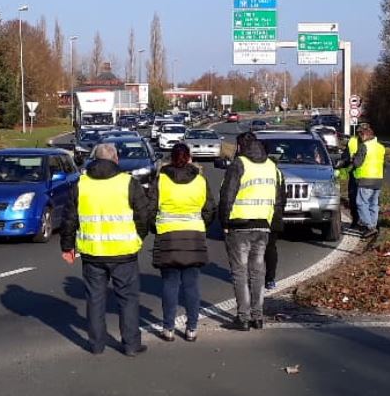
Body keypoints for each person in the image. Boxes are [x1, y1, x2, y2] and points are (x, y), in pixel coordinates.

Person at [60, 143, 151, 357]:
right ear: (116, 159)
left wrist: (67, 246)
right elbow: (143, 214)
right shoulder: (128, 183)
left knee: (95, 299)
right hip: (124, 252)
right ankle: (130, 345)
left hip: (93, 253)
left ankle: (97, 344)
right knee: (128, 299)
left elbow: (69, 219)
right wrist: (139, 237)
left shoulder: (81, 184)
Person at [147, 143, 216, 343]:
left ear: (171, 158)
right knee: (191, 285)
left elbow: (150, 208)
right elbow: (210, 208)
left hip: (167, 235)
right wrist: (202, 224)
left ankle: (168, 328)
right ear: (189, 158)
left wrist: (155, 226)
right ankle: (191, 328)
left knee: (169, 284)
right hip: (194, 236)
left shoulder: (161, 180)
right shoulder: (200, 181)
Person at [219, 132, 285, 330]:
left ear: (241, 147)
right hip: (263, 225)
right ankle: (258, 317)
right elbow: (280, 198)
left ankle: (243, 317)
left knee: (240, 272)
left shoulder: (239, 164)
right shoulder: (272, 167)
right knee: (257, 272)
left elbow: (227, 195)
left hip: (239, 225)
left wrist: (224, 222)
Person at [351, 125, 385, 238]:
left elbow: (357, 163)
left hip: (366, 180)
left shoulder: (364, 146)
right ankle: (373, 225)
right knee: (373, 203)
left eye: (360, 134)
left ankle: (369, 226)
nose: (359, 137)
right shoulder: (381, 147)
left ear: (364, 134)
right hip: (378, 180)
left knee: (361, 203)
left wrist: (353, 158)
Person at [334, 122, 370, 227]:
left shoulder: (372, 143)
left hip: (368, 176)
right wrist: (341, 164)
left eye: (363, 131)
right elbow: (345, 157)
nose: (361, 134)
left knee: (366, 201)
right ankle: (356, 220)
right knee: (353, 199)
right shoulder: (352, 141)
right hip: (355, 175)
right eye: (359, 132)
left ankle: (367, 224)